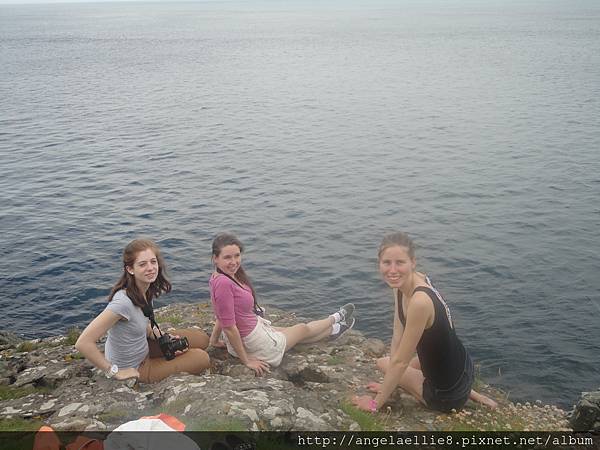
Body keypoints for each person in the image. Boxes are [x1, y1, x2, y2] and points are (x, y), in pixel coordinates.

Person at [353, 232, 497, 413]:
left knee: (385, 364)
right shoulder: (404, 284)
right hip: (461, 366)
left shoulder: (420, 302)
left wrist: (375, 403)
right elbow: (397, 335)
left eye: (400, 262)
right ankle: (474, 394)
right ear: (379, 263)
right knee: (389, 365)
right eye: (386, 263)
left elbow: (399, 363)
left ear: (413, 262)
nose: (392, 270)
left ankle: (465, 394)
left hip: (446, 395)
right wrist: (388, 384)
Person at [208, 233, 355, 375]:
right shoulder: (224, 283)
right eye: (227, 257)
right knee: (302, 329)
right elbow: (228, 327)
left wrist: (214, 340)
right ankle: (336, 318)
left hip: (250, 334)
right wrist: (246, 360)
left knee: (293, 333)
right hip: (255, 343)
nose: (234, 262)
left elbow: (221, 314)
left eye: (237, 255)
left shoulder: (217, 277)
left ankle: (335, 329)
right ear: (215, 258)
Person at [76, 239, 211, 383]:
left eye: (153, 262)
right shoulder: (122, 303)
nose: (151, 268)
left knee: (202, 339)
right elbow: (83, 342)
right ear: (130, 269)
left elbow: (137, 323)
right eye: (142, 264)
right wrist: (114, 371)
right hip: (137, 366)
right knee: (202, 358)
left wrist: (160, 336)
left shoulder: (144, 290)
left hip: (143, 347)